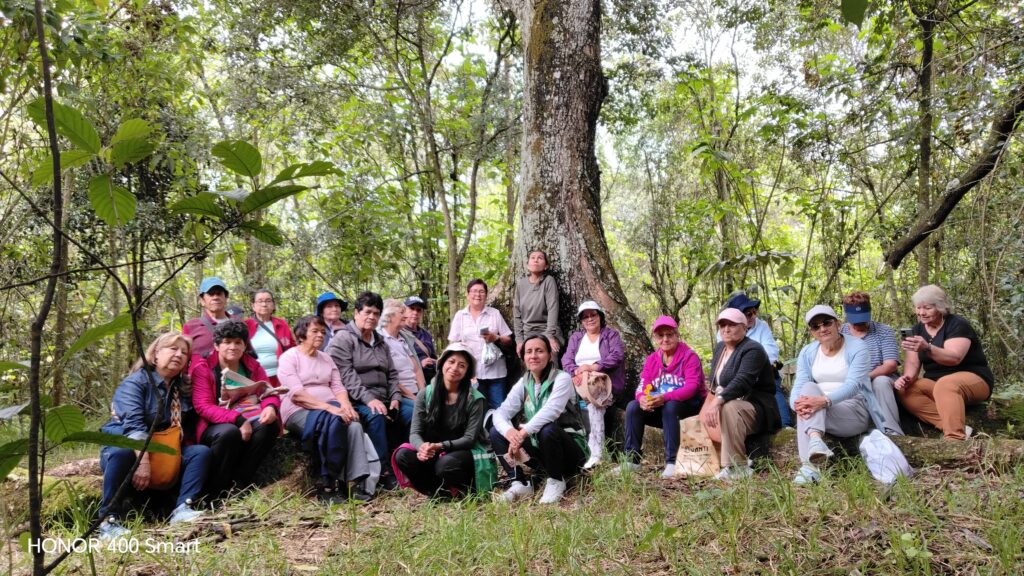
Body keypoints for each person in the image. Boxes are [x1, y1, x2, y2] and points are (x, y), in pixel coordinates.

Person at [97, 333, 210, 539]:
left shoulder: (180, 388)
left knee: (199, 453)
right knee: (121, 453)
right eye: (172, 349)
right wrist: (143, 462)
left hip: (162, 447)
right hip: (128, 445)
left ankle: (183, 509)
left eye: (184, 352)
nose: (178, 354)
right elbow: (133, 427)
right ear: (155, 354)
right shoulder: (135, 383)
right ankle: (108, 521)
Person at [789, 305, 889, 485]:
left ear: (838, 324)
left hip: (853, 409)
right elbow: (799, 384)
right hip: (819, 410)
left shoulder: (857, 347)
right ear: (811, 331)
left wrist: (825, 401)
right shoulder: (808, 352)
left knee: (810, 402)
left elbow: (853, 385)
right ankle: (815, 442)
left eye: (827, 322)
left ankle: (810, 467)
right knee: (808, 388)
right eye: (816, 326)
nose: (822, 328)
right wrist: (796, 405)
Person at [278, 315, 373, 502]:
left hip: (332, 409)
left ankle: (350, 482)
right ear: (301, 335)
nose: (320, 335)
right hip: (298, 410)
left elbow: (338, 387)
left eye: (323, 332)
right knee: (335, 423)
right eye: (315, 331)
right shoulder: (289, 357)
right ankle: (327, 485)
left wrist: (346, 406)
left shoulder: (327, 358)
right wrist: (330, 408)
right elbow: (296, 394)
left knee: (353, 424)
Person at [491, 334, 587, 504]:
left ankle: (556, 480)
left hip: (570, 452)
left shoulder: (562, 378)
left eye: (539, 351)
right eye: (529, 352)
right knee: (496, 432)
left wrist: (523, 433)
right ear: (524, 357)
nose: (533, 356)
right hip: (542, 450)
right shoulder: (524, 382)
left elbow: (552, 410)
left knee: (547, 428)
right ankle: (519, 482)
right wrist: (510, 432)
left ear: (550, 355)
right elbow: (500, 413)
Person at [328, 291, 408, 490]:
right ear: (356, 313)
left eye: (376, 313)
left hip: (386, 396)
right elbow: (346, 376)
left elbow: (392, 374)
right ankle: (383, 471)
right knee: (376, 416)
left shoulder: (380, 341)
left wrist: (396, 396)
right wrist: (369, 399)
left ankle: (409, 463)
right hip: (357, 400)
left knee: (416, 411)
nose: (372, 317)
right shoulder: (343, 339)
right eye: (368, 312)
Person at [191, 319, 280, 496]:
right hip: (214, 423)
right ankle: (214, 491)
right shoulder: (204, 367)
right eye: (227, 342)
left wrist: (270, 407)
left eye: (238, 342)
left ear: (245, 345)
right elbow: (203, 406)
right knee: (229, 433)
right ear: (217, 346)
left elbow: (269, 391)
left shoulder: (252, 365)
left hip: (248, 414)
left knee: (268, 426)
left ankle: (239, 484)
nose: (233, 347)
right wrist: (238, 421)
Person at [894, 285, 994, 440]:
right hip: (938, 386)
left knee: (946, 384)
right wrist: (906, 378)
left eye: (927, 308)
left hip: (975, 380)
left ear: (940, 307)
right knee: (906, 390)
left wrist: (927, 347)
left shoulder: (957, 324)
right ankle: (956, 426)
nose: (921, 313)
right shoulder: (917, 329)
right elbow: (913, 363)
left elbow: (954, 358)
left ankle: (954, 438)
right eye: (918, 308)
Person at [616, 315, 705, 478]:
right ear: (655, 338)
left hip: (689, 409)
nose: (665, 339)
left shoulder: (689, 356)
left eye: (669, 334)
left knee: (670, 406)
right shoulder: (652, 359)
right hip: (664, 410)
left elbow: (692, 388)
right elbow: (642, 385)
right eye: (660, 335)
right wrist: (642, 398)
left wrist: (664, 397)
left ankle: (672, 462)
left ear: (677, 335)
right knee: (633, 407)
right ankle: (632, 460)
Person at [393, 343, 487, 498]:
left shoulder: (475, 399)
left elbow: (470, 439)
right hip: (432, 450)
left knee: (446, 465)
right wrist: (422, 447)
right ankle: (438, 493)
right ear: (442, 363)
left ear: (467, 372)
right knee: (402, 456)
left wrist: (440, 446)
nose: (455, 368)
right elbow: (415, 433)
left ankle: (460, 488)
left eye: (462, 365)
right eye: (451, 362)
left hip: (461, 452)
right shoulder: (425, 394)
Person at [701, 308, 781, 480]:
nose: (726, 329)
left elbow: (742, 381)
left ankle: (736, 466)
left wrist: (718, 401)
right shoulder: (720, 348)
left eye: (732, 325)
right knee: (721, 408)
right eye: (722, 325)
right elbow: (716, 382)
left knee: (729, 406)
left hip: (758, 407)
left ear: (744, 327)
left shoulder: (753, 349)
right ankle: (725, 464)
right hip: (731, 405)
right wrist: (709, 403)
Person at [560, 300, 626, 469]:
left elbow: (617, 356)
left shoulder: (611, 335)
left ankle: (597, 453)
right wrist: (575, 372)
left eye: (593, 315)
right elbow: (566, 359)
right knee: (556, 400)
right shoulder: (577, 337)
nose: (589, 319)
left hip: (604, 383)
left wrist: (594, 367)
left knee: (595, 404)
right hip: (579, 382)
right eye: (585, 317)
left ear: (600, 316)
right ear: (581, 321)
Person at [839, 291, 903, 435]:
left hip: (879, 379)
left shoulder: (883, 331)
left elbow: (890, 364)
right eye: (855, 320)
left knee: (880, 382)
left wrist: (864, 377)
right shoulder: (839, 333)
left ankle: (891, 432)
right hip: (848, 380)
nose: (860, 323)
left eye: (863, 318)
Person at [721, 293, 790, 428]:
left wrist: (752, 366)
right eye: (748, 314)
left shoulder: (761, 326)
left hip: (762, 373)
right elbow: (725, 358)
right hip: (737, 376)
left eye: (754, 312)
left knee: (773, 385)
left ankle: (785, 425)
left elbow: (771, 352)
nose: (753, 316)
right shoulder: (725, 331)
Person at [448, 279, 514, 410]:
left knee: (499, 409)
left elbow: (509, 339)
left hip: (496, 372)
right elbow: (452, 343)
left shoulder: (494, 313)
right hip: (472, 373)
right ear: (467, 294)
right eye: (473, 291)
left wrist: (495, 337)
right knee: (476, 409)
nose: (477, 295)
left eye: (481, 291)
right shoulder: (460, 316)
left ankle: (497, 431)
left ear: (486, 295)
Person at [513, 249, 562, 356]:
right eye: (533, 258)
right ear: (527, 265)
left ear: (546, 266)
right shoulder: (521, 284)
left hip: (547, 329)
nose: (536, 260)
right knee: (528, 359)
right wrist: (519, 340)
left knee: (550, 356)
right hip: (528, 332)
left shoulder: (548, 281)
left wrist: (549, 336)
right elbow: (516, 314)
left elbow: (553, 309)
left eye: (540, 258)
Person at [244, 288, 296, 388]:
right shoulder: (245, 326)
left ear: (273, 304)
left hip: (280, 376)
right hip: (254, 378)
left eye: (268, 301)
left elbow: (292, 348)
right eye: (260, 301)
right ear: (253, 306)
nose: (264, 304)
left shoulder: (282, 324)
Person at [379, 298, 426, 401]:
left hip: (416, 392)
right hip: (398, 394)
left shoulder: (404, 338)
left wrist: (423, 394)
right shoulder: (380, 340)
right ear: (389, 316)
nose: (406, 316)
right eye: (401, 312)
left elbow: (417, 369)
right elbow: (387, 376)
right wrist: (413, 398)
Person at [183, 276, 231, 358]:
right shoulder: (191, 326)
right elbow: (184, 356)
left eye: (219, 293)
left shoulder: (238, 323)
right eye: (211, 294)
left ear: (226, 298)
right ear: (202, 301)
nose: (215, 297)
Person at [403, 296, 438, 383]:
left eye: (418, 310)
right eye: (412, 309)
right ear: (404, 311)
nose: (415, 313)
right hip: (412, 379)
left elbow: (434, 357)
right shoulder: (399, 333)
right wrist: (420, 364)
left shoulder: (426, 334)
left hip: (430, 376)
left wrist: (432, 361)